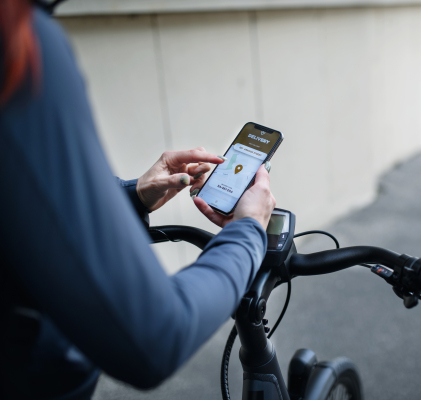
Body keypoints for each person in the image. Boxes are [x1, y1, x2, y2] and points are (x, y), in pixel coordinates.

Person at [0, 1, 276, 398]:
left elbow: (25, 204)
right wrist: (248, 233)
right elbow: (154, 338)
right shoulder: (21, 44)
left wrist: (132, 197)